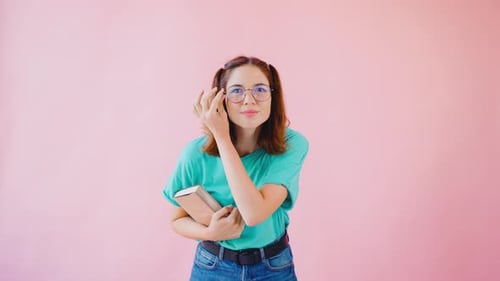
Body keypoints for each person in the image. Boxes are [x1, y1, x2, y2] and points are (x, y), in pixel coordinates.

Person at [162, 55, 309, 281]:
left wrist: (222, 137)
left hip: (273, 267)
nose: (249, 100)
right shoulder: (195, 154)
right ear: (220, 99)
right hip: (212, 267)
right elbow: (176, 219)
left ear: (273, 96)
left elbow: (253, 214)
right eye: (237, 91)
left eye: (260, 89)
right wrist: (209, 233)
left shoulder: (291, 145)